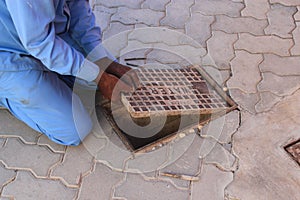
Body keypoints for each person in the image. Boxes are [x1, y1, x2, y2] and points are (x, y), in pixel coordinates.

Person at [0, 0, 135, 146]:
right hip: (9, 54)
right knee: (76, 129)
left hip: (44, 37)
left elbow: (79, 11)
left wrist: (103, 61)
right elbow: (41, 44)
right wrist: (100, 77)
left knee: (97, 84)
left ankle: (54, 76)